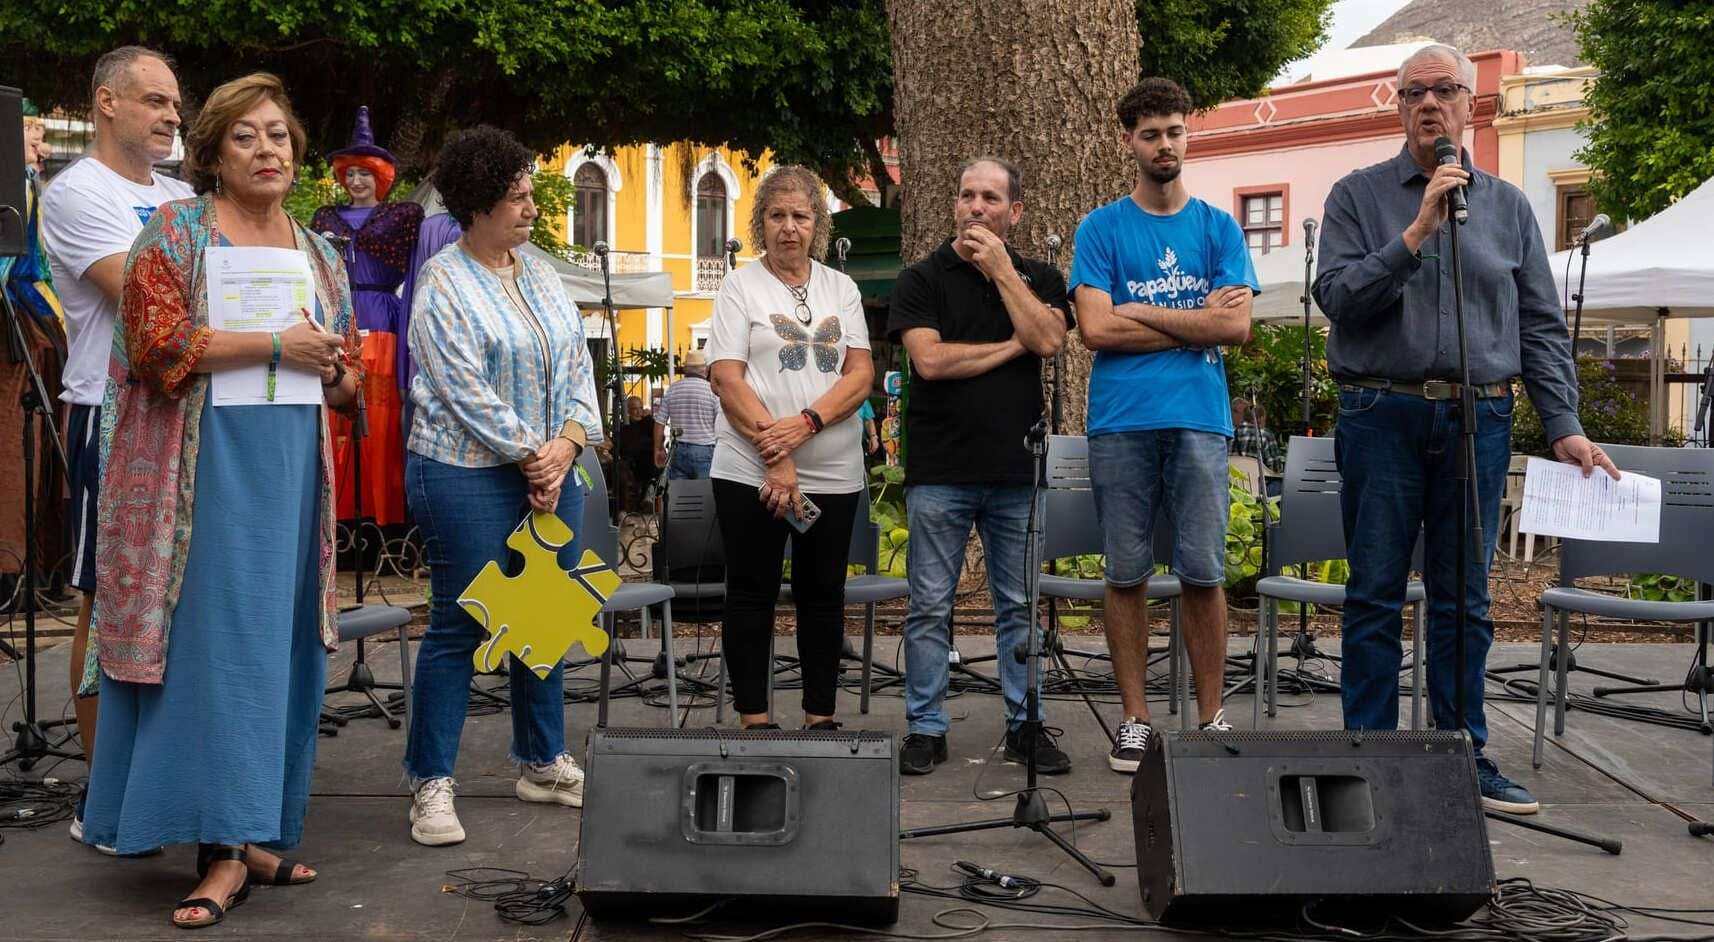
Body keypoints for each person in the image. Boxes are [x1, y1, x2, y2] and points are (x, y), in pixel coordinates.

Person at [78, 71, 359, 928]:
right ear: (213, 153)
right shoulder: (176, 233)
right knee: (217, 647)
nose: (267, 149)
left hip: (292, 476)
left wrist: (342, 375)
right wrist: (277, 342)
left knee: (276, 644)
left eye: (279, 134)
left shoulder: (319, 253)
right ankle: (220, 854)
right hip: (201, 476)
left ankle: (252, 830)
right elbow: (152, 345)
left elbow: (342, 380)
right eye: (246, 136)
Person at [1313, 44, 1618, 815]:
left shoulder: (1510, 208)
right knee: (1377, 593)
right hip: (1380, 411)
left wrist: (1564, 424)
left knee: (1464, 600)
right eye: (1414, 92)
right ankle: (1370, 761)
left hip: (1479, 415)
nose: (1429, 104)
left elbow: (1543, 327)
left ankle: (1462, 754)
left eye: (1444, 90)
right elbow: (1339, 299)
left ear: (1471, 106)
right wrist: (1414, 233)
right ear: (1399, 107)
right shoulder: (1358, 196)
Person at [402, 125, 603, 847]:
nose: (529, 209)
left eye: (529, 195)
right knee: (463, 621)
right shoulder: (442, 284)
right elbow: (461, 388)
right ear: (477, 204)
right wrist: (534, 456)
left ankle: (542, 761)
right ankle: (430, 781)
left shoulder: (542, 273)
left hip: (549, 463)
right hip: (461, 469)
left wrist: (566, 447)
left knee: (545, 615)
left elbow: (580, 370)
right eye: (515, 198)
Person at [1071, 77, 1260, 773]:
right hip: (1120, 422)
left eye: (1175, 131)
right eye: (1150, 134)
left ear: (1188, 134)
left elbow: (1235, 325)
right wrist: (1191, 324)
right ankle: (1136, 720)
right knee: (1125, 575)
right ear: (1130, 141)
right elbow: (1093, 328)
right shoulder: (1101, 228)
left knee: (1204, 575)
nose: (1165, 144)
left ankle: (1210, 719)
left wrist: (1137, 312)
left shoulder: (1217, 226)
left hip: (1199, 423)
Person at [38, 45, 193, 849]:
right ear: (106, 103)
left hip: (192, 413)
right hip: (112, 410)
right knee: (108, 599)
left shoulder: (181, 194)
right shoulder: (75, 194)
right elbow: (142, 299)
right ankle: (104, 799)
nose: (173, 116)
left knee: (181, 600)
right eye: (156, 102)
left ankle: (166, 776)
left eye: (176, 105)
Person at [887, 156, 1072, 776]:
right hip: (940, 471)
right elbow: (930, 364)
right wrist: (1014, 343)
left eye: (990, 198)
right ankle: (926, 727)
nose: (975, 207)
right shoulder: (921, 279)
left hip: (1016, 471)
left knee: (1018, 605)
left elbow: (1049, 340)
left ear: (1013, 213)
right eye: (966, 195)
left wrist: (1001, 273)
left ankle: (1026, 724)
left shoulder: (1038, 276)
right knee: (930, 605)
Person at [708, 164, 873, 731]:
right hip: (748, 469)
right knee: (751, 590)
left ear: (817, 223)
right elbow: (727, 378)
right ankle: (754, 718)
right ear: (761, 223)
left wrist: (806, 424)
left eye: (800, 215)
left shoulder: (841, 288)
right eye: (776, 215)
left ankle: (819, 717)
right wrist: (777, 458)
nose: (788, 227)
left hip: (833, 472)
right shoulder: (739, 287)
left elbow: (860, 374)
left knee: (823, 593)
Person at [310, 106, 423, 528]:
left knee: (381, 417)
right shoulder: (324, 217)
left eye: (365, 174)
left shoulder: (404, 217)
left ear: (381, 177)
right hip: (340, 318)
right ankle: (338, 514)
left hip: (383, 320)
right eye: (350, 174)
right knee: (338, 416)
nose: (356, 182)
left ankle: (386, 516)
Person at [654, 348, 718, 479]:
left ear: (685, 369)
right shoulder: (712, 391)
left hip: (678, 450)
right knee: (704, 495)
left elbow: (659, 423)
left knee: (678, 495)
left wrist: (658, 448)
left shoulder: (673, 389)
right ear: (705, 370)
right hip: (705, 450)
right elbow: (720, 424)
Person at [618, 393, 657, 508]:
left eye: (640, 408)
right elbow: (628, 447)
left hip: (648, 460)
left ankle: (648, 496)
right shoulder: (625, 426)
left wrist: (648, 418)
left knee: (656, 459)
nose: (639, 412)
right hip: (632, 462)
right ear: (628, 410)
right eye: (635, 409)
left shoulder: (647, 422)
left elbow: (658, 438)